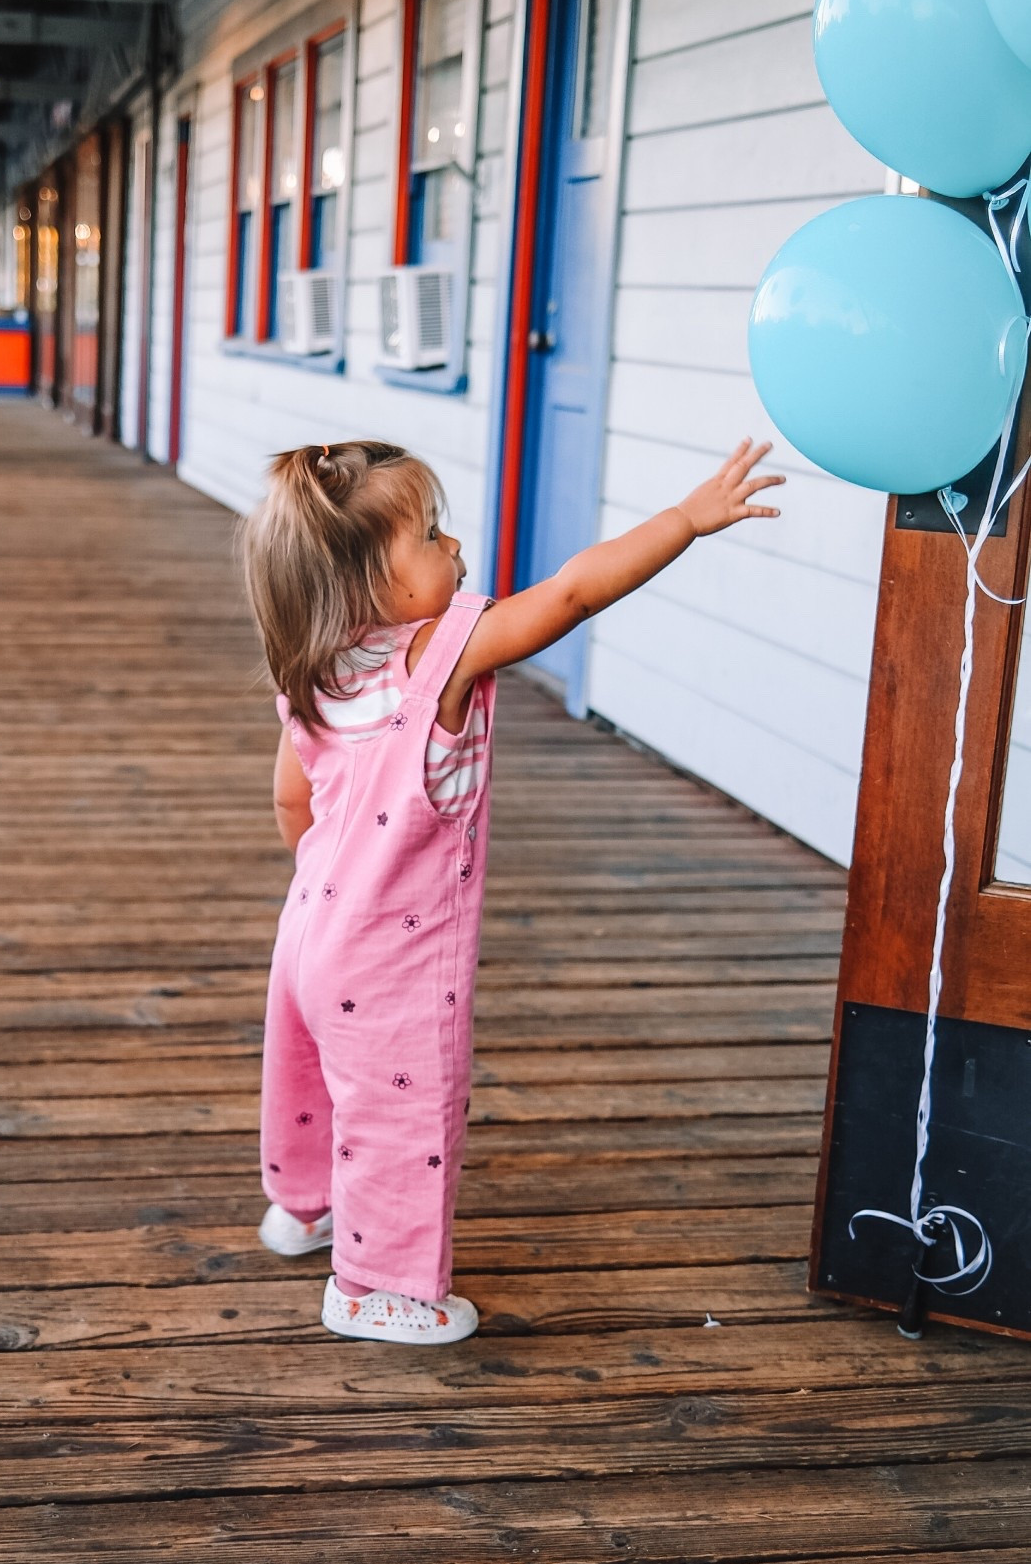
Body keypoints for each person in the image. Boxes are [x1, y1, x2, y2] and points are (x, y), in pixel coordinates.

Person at [241, 435, 782, 1344]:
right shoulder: (439, 660)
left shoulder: (314, 676)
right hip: (388, 958)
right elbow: (570, 594)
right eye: (430, 535)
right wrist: (684, 521)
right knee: (402, 1112)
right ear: (369, 583)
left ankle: (303, 1207)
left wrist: (333, 882)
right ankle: (374, 1289)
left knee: (309, 1075)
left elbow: (290, 802)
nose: (454, 546)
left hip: (309, 928)